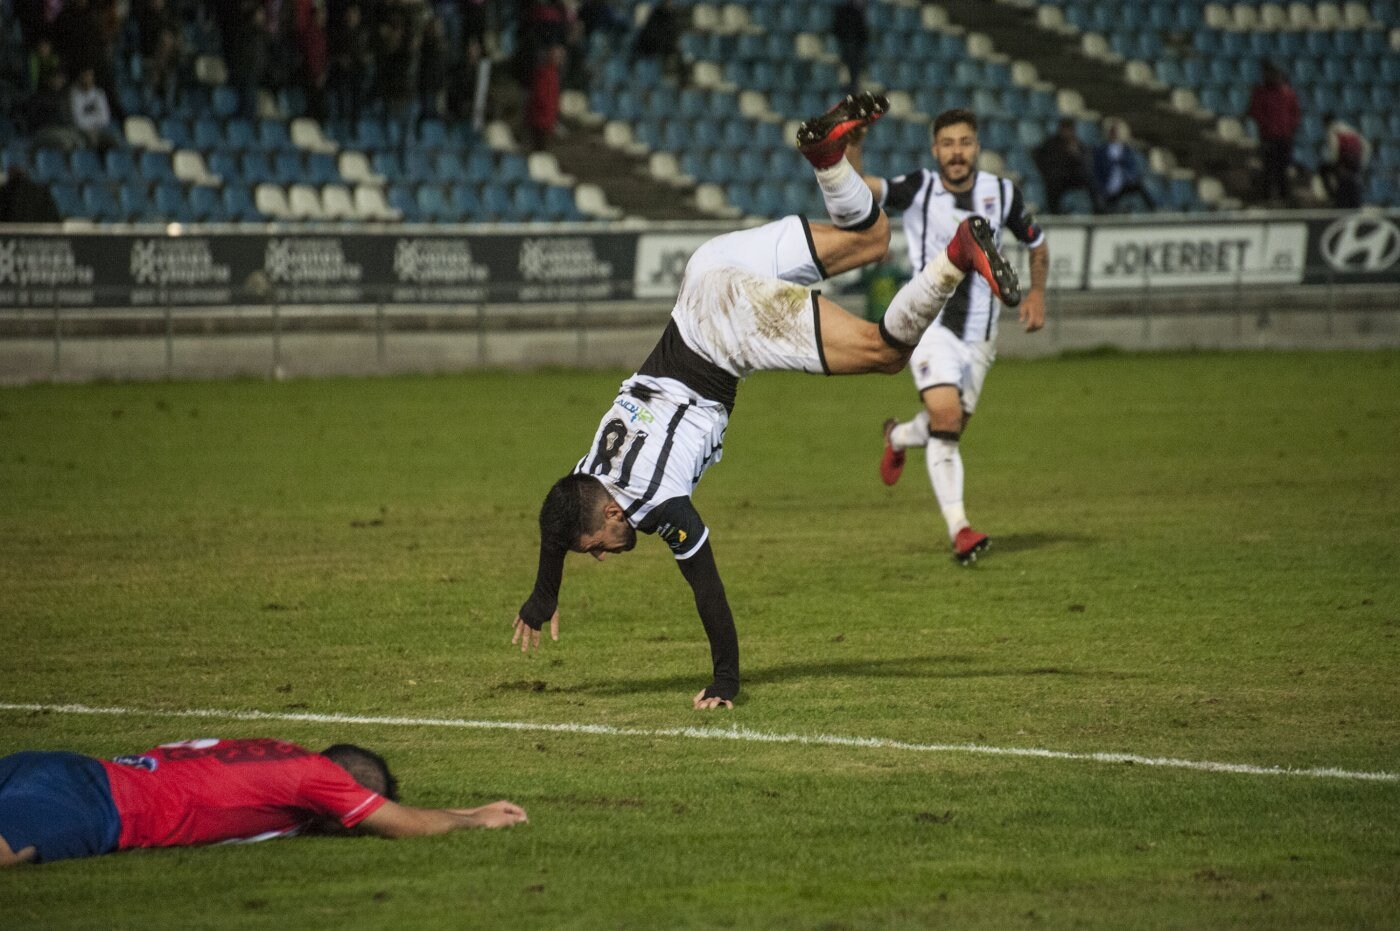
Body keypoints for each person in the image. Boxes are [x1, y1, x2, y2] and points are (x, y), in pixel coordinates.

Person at [509, 93, 1021, 709]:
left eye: (595, 548)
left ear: (613, 517)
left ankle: (956, 256)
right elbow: (555, 518)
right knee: (871, 238)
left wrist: (726, 681)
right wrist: (543, 596)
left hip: (727, 329)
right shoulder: (588, 474)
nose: (601, 557)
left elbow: (708, 588)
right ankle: (828, 159)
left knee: (885, 353)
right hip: (705, 274)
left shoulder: (654, 505)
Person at [847, 107, 1047, 565]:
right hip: (930, 324)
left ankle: (897, 437)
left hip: (981, 334)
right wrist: (854, 146)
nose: (957, 153)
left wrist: (1038, 293)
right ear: (935, 150)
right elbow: (860, 193)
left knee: (948, 427)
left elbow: (1036, 242)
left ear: (976, 147)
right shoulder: (920, 188)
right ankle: (961, 529)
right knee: (946, 415)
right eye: (948, 144)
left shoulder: (1002, 193)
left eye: (965, 143)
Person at [0, 737, 527, 866]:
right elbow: (405, 825)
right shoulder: (314, 778)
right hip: (92, 809)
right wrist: (475, 821)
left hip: (62, 767)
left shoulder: (278, 756)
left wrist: (465, 808)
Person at [1246, 60, 1301, 206]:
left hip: (1284, 137)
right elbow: (1255, 112)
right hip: (1268, 137)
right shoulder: (1260, 92)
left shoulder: (1288, 93)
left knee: (1283, 169)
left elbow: (1295, 113)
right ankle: (1267, 197)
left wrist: (1289, 128)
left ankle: (1284, 197)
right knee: (1268, 169)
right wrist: (1267, 126)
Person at [1033, 117, 1102, 214]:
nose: (1068, 132)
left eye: (1070, 129)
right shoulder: (1051, 144)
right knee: (1053, 186)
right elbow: (1039, 157)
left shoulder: (1077, 144)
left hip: (1073, 177)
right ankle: (1055, 212)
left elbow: (1084, 162)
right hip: (1057, 177)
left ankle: (1098, 209)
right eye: (1065, 129)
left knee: (1090, 179)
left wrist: (1075, 154)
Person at [1091, 119, 1155, 212]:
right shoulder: (1100, 151)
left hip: (1123, 185)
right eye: (1112, 132)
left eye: (1116, 132)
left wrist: (1128, 178)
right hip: (1107, 186)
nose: (1114, 134)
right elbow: (1097, 171)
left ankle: (1153, 208)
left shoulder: (1127, 151)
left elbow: (1132, 170)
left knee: (1139, 185)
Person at [1318, 112, 1370, 209]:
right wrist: (1362, 163)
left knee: (1323, 169)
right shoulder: (1350, 129)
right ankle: (1351, 203)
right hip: (1355, 161)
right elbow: (1366, 145)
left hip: (1344, 161)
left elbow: (1334, 147)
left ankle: (1333, 196)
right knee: (1351, 183)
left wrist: (1334, 163)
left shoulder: (1332, 131)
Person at [831, 0, 869, 95]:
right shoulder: (844, 12)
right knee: (850, 61)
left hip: (854, 48)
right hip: (846, 46)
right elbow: (837, 29)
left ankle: (853, 86)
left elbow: (863, 35)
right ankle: (849, 86)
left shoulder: (859, 13)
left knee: (856, 64)